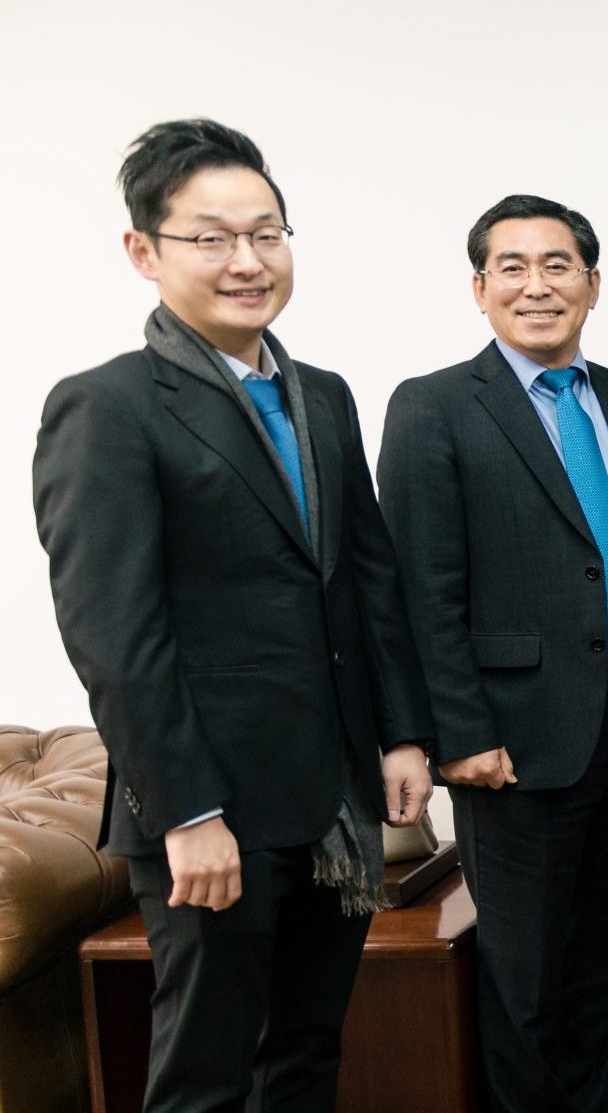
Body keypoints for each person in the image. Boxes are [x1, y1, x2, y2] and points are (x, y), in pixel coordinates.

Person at [33, 119, 435, 1111]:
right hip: (209, 811)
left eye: (267, 232)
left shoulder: (322, 397)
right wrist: (187, 813)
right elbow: (115, 635)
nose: (247, 261)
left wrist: (401, 737)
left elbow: (367, 582)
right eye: (211, 238)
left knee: (303, 1056)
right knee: (203, 1078)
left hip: (330, 797)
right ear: (144, 251)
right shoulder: (109, 407)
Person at [376, 194, 608, 1113]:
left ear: (593, 285)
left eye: (558, 265)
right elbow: (421, 592)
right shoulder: (435, 406)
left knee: (602, 959)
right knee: (524, 978)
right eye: (511, 267)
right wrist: (457, 734)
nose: (536, 285)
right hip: (509, 740)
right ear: (479, 288)